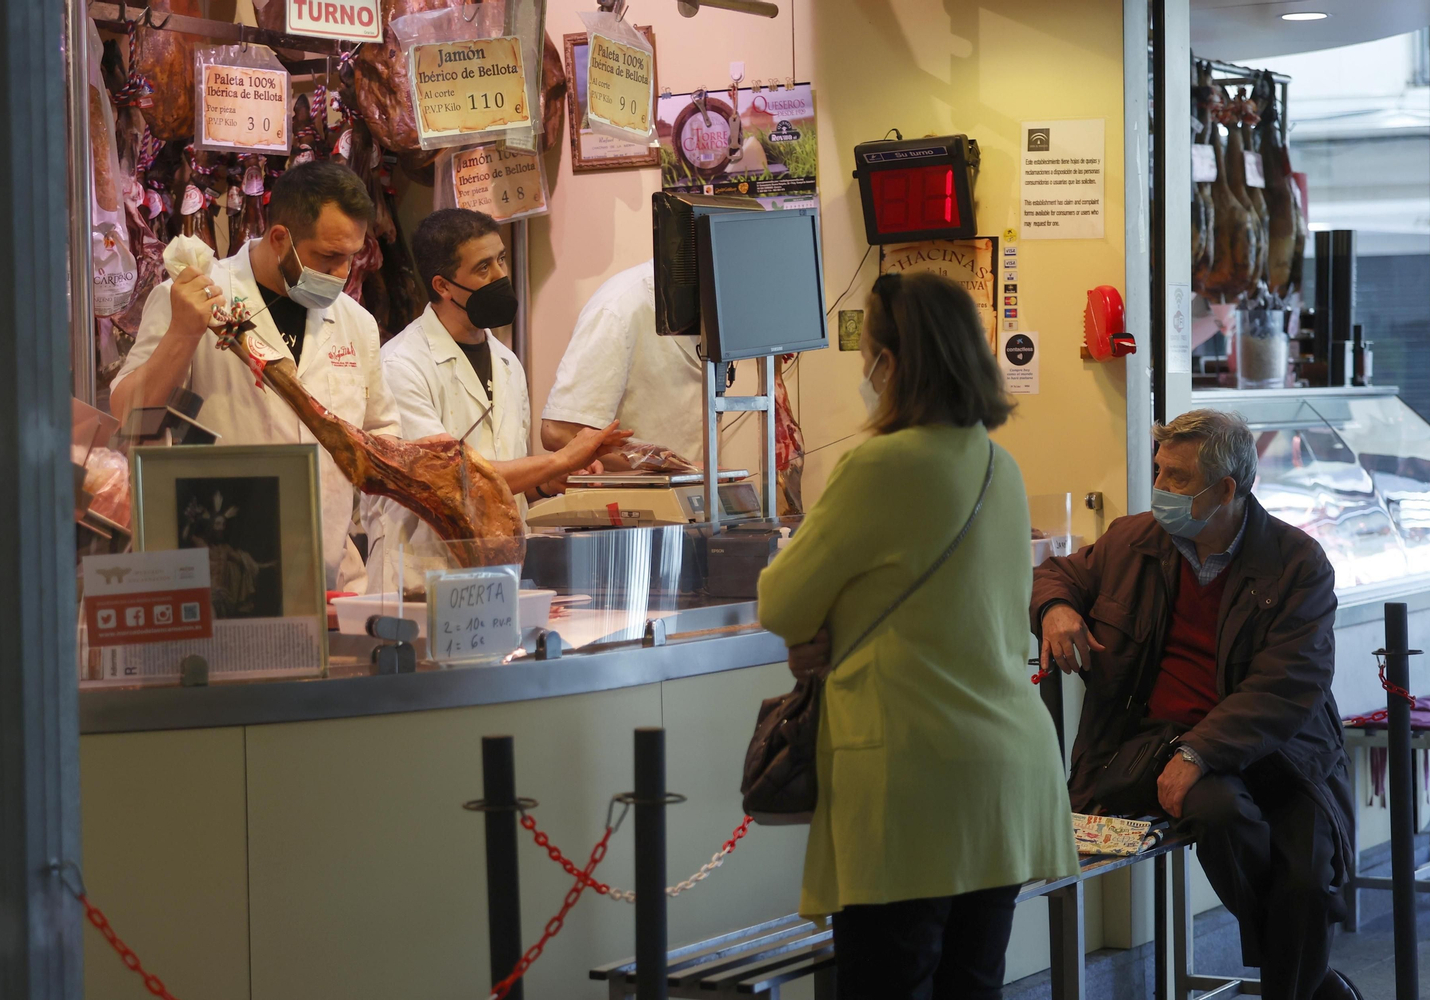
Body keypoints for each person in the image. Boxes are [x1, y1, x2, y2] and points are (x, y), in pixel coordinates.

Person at [757, 272, 1077, 998]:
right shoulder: (1000, 465)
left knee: (887, 983)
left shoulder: (880, 464)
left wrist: (824, 626)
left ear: (894, 364)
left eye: (867, 354)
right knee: (972, 985)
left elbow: (781, 601)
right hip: (1006, 775)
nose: (865, 372)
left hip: (913, 778)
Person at [1033, 409, 1359, 1000]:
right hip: (1154, 748)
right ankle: (1310, 988)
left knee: (1310, 880)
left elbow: (1287, 684)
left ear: (1226, 490)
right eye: (1158, 471)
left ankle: (1303, 986)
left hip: (1283, 755)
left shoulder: (1297, 563)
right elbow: (1057, 573)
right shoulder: (1131, 542)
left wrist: (1202, 749)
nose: (1159, 488)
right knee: (1216, 813)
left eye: (1177, 478)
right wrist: (1056, 609)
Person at [113, 160, 411, 592]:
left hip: (329, 574)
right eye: (328, 257)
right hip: (219, 575)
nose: (342, 274)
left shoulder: (356, 323)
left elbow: (380, 442)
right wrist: (182, 334)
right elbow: (129, 418)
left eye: (350, 258)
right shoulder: (196, 295)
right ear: (279, 238)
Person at [364, 209, 629, 589]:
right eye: (484, 267)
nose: (501, 276)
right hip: (421, 575)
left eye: (501, 259)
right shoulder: (401, 364)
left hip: (498, 574)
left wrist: (551, 480)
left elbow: (504, 475)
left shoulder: (506, 362)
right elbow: (450, 481)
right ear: (443, 286)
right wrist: (559, 459)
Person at [540, 260, 706, 468]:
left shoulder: (708, 299)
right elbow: (560, 432)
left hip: (689, 490)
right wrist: (676, 466)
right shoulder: (618, 306)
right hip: (628, 496)